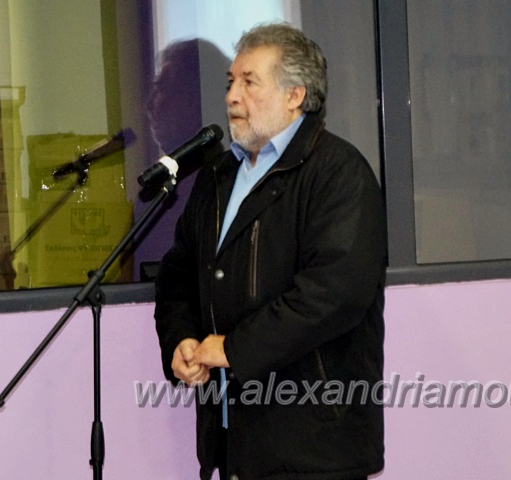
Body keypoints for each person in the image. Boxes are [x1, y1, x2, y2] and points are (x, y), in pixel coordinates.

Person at [154, 22, 386, 480]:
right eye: (230, 82)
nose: (231, 96)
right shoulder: (218, 176)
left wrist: (235, 349)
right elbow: (178, 276)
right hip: (233, 441)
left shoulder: (338, 174)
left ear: (295, 95)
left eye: (249, 82)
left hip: (314, 448)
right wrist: (180, 340)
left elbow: (334, 295)